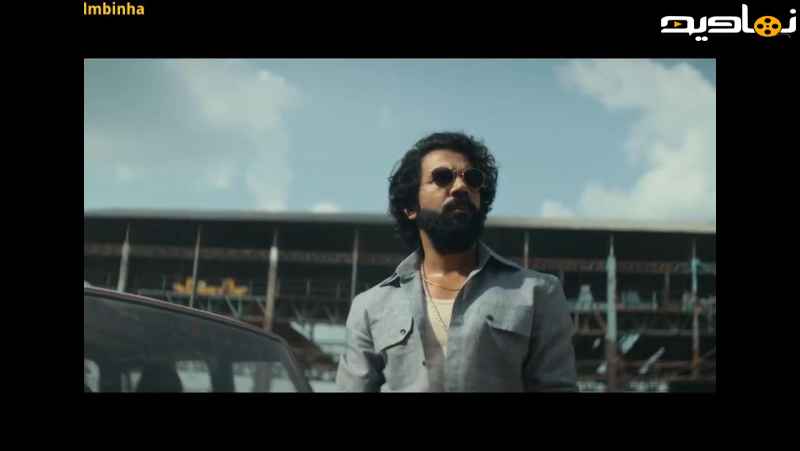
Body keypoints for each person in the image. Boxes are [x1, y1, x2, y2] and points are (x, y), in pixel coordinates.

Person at [336, 131, 577, 392]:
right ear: (411, 207)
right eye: (442, 177)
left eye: (472, 179)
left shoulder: (538, 294)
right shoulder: (370, 307)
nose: (461, 187)